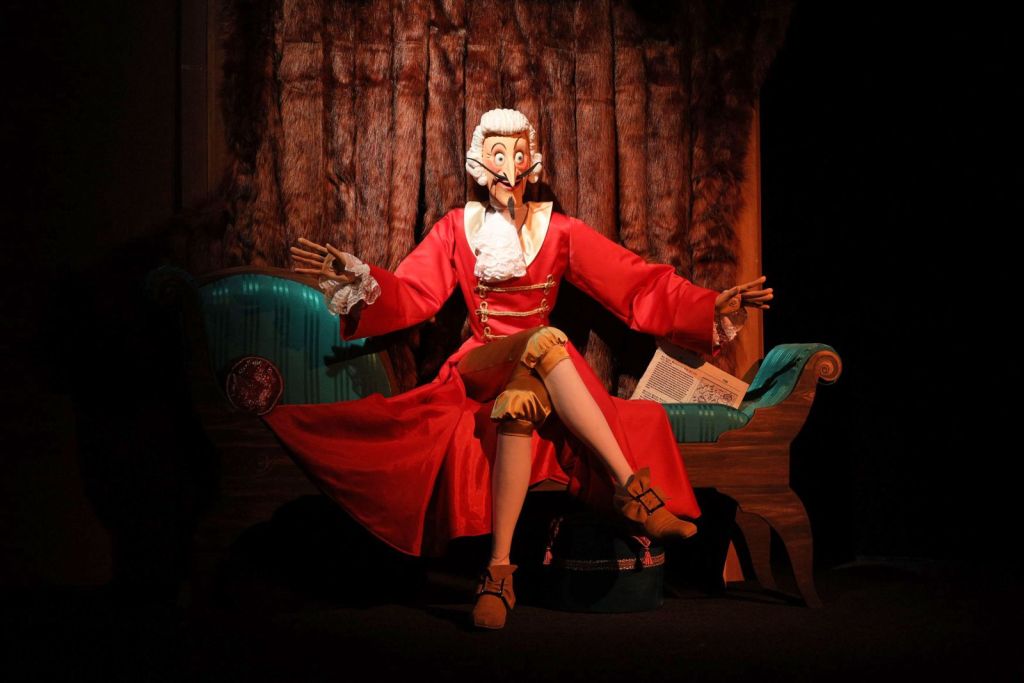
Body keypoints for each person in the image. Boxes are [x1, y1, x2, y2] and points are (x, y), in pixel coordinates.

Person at [274, 108, 772, 629]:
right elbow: (414, 293)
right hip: (482, 360)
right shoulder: (456, 230)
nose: (509, 165)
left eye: (517, 153)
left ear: (531, 162)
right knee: (548, 339)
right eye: (498, 154)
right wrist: (359, 278)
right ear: (480, 164)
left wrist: (708, 306)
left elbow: (635, 284)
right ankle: (634, 490)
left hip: (544, 371)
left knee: (520, 406)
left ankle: (498, 575)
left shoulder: (559, 231)